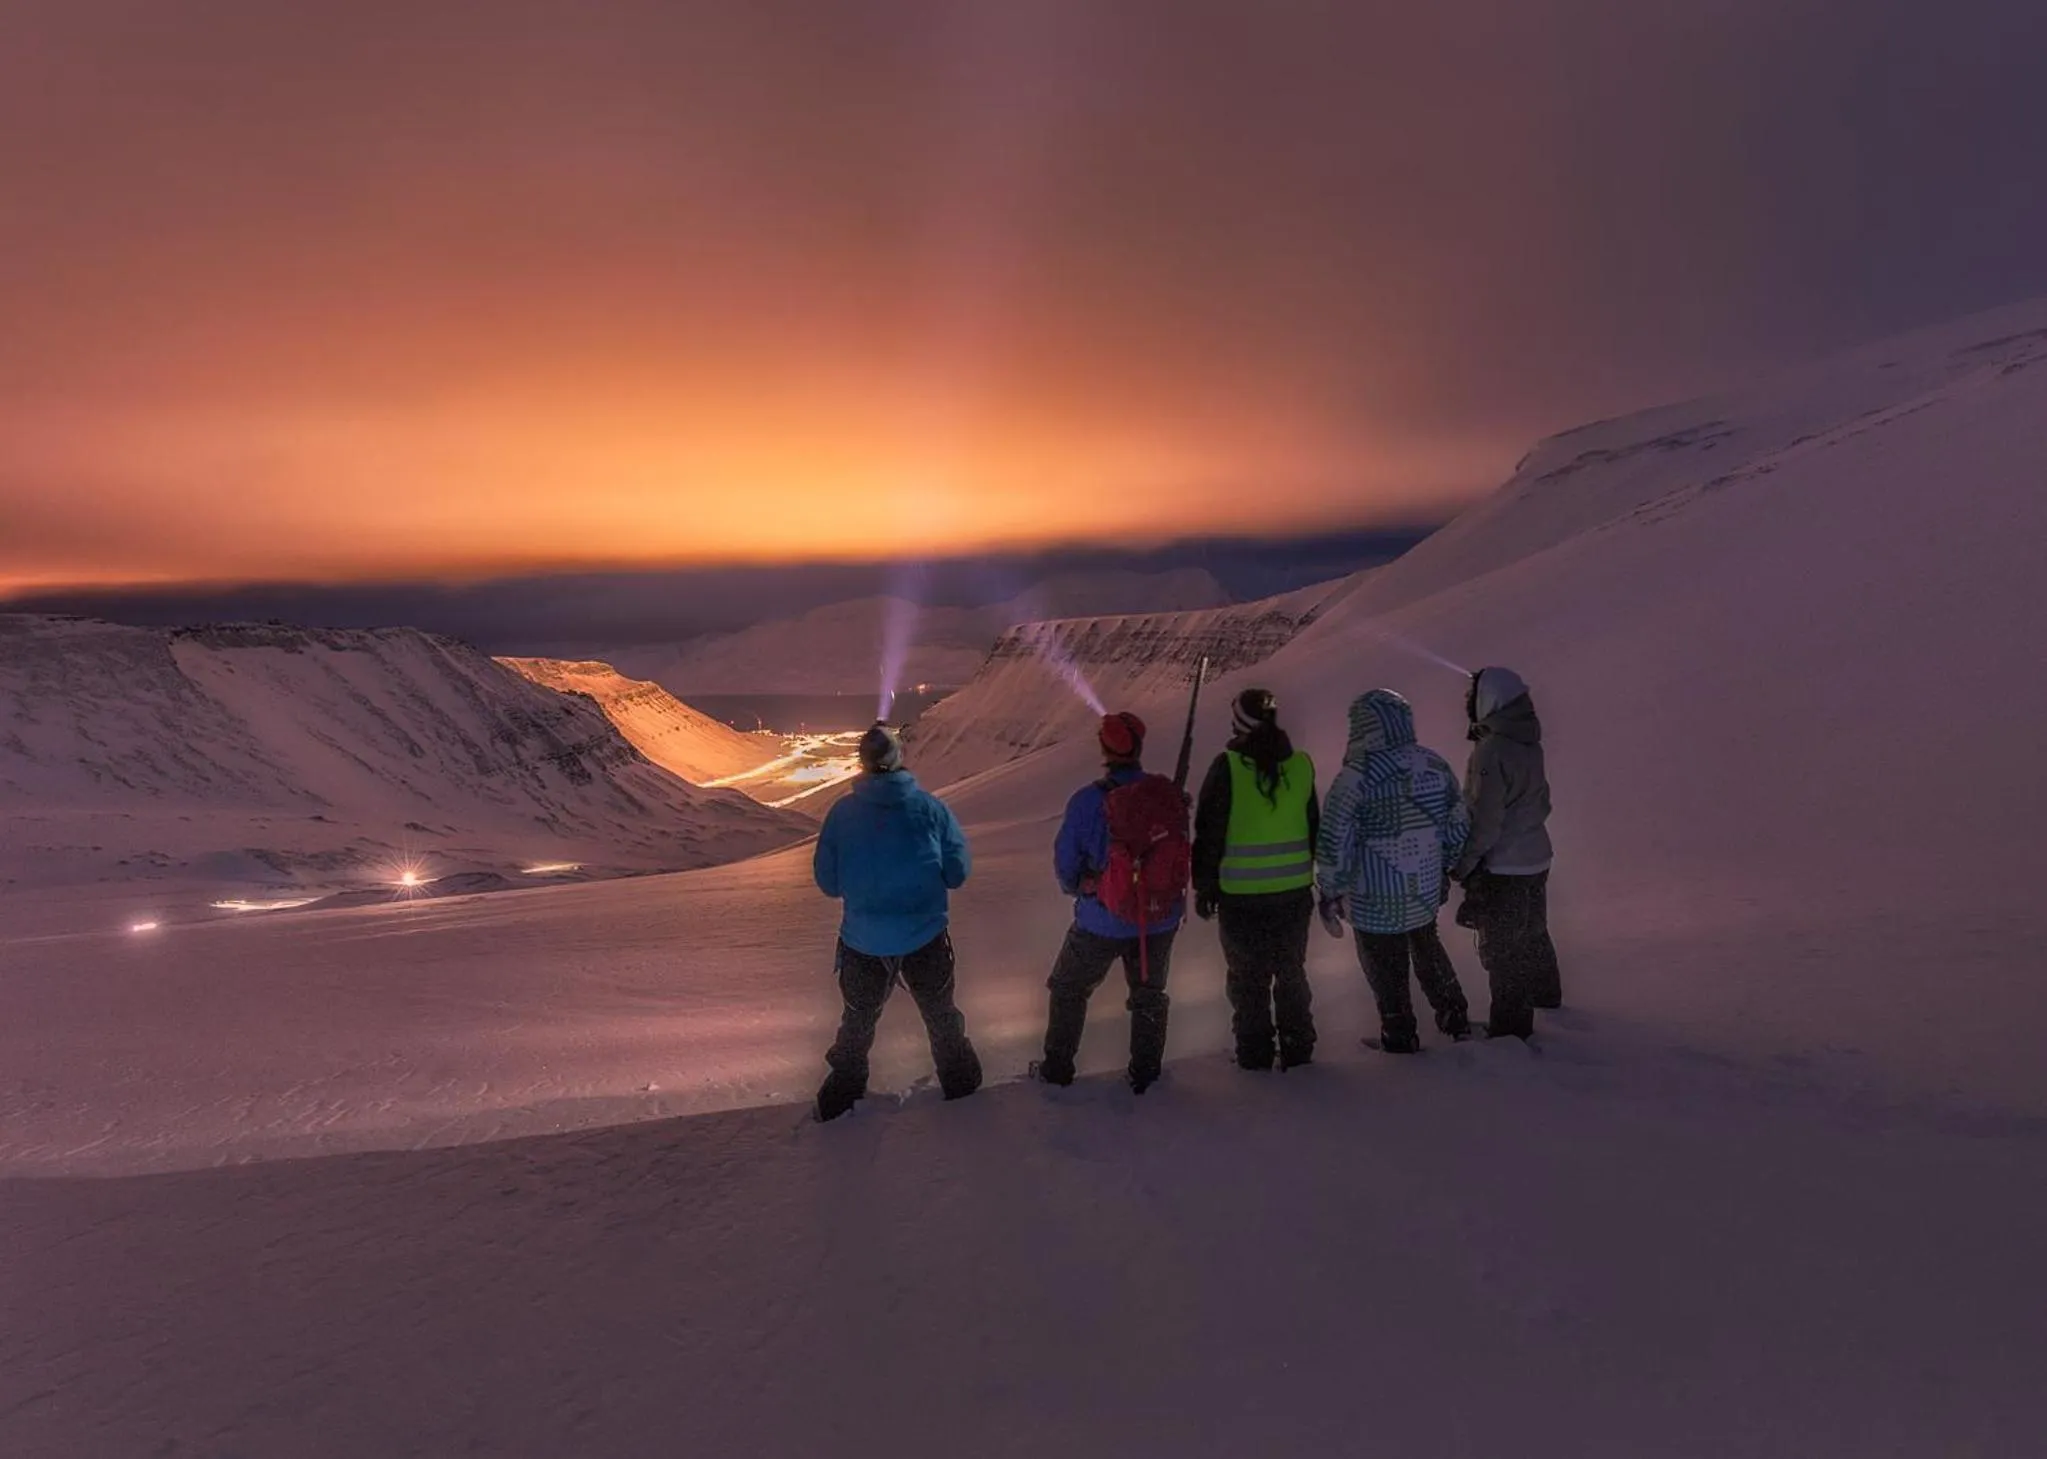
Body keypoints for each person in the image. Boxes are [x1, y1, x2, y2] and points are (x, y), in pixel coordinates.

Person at [811, 722, 982, 1121]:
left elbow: (828, 882)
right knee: (940, 1013)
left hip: (863, 941)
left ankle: (841, 1095)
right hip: (925, 935)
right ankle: (962, 1084)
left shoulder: (842, 813)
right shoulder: (930, 809)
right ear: (899, 757)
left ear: (863, 761)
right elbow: (957, 872)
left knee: (858, 1019)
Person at [1314, 689, 1475, 1052]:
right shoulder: (1434, 765)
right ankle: (1454, 1014)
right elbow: (1458, 820)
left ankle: (1399, 1032)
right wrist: (1443, 865)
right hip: (1423, 890)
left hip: (1373, 899)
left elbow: (1334, 840)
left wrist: (1330, 890)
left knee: (1384, 964)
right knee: (1428, 947)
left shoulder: (1355, 778)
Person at [1033, 711, 1186, 1093]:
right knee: (1149, 994)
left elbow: (1066, 863)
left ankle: (1057, 1071)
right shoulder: (1165, 794)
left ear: (1105, 748)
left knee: (1069, 988)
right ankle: (1146, 1076)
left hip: (1101, 918)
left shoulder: (1087, 802)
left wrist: (1082, 887)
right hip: (1158, 918)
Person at [1192, 688, 1320, 1071]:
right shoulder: (1300, 766)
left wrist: (1205, 886)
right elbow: (1313, 827)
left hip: (1241, 896)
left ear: (1238, 722)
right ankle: (1299, 1049)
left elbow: (1209, 833)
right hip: (1294, 893)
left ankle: (1255, 1053)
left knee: (1248, 981)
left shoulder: (1228, 767)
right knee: (1291, 971)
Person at [1452, 666, 1563, 1039]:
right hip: (1537, 855)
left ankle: (1512, 1031)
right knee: (1533, 932)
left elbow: (1486, 819)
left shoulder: (1491, 751)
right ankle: (1548, 997)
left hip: (1506, 865)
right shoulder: (1529, 742)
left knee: (1504, 950)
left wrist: (1463, 864)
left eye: (1472, 696)